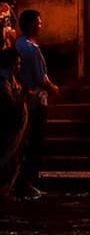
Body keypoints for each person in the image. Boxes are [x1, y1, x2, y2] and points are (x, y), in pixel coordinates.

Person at [14, 10, 58, 198]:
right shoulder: (32, 49)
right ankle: (26, 181)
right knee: (35, 142)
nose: (41, 25)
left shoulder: (18, 45)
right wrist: (54, 88)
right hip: (35, 99)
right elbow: (41, 78)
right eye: (39, 22)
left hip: (23, 97)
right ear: (32, 25)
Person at [0, 48, 25, 198]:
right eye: (18, 64)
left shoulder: (11, 80)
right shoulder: (3, 83)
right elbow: (9, 105)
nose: (19, 67)